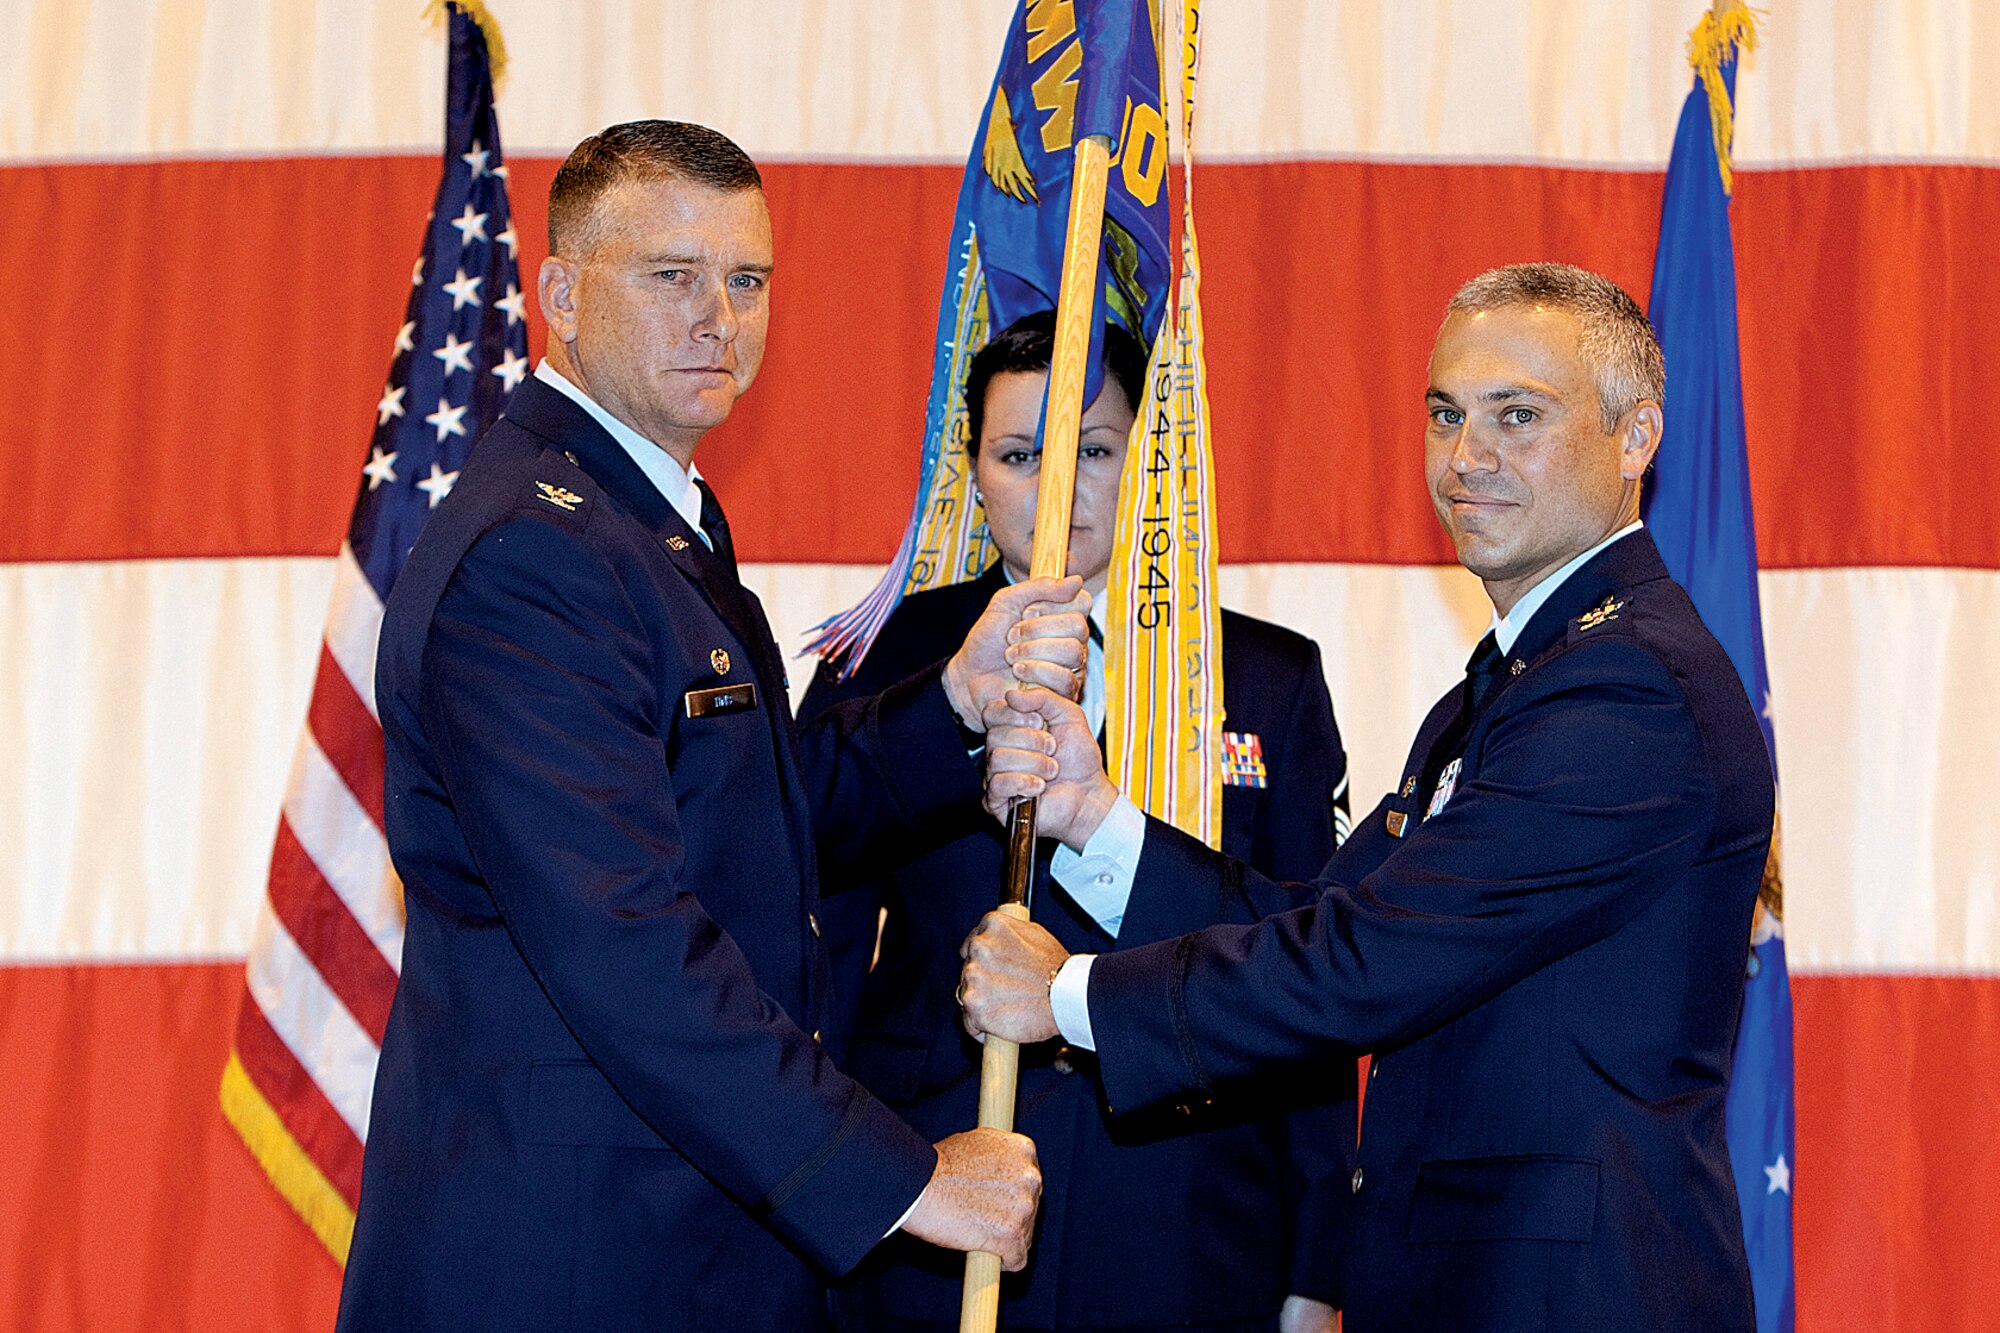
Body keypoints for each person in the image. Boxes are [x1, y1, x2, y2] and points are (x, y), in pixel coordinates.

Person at [337, 121, 1081, 1333]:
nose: (717, 318)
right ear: (563, 294)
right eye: (671, 276)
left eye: (746, 281)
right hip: (571, 1258)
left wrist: (953, 699)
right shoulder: (536, 552)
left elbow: (743, 823)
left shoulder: (644, 518)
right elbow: (625, 939)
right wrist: (902, 1178)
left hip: (672, 1235)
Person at [961, 263, 1775, 1333]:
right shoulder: (1507, 686)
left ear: (1635, 439)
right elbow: (1316, 920)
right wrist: (1092, 817)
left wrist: (1070, 996)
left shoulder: (1626, 691)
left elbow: (1371, 960)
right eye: (1445, 414)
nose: (1465, 457)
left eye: (1515, 416)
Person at [801, 311, 1354, 1333]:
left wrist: (1315, 1268)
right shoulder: (885, 663)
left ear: (1147, 458)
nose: (1059, 484)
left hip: (1184, 1209)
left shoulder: (1264, 681)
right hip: (933, 1184)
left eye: (1095, 451)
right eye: (1020, 455)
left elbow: (1310, 981)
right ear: (972, 474)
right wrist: (817, 1196)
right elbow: (813, 956)